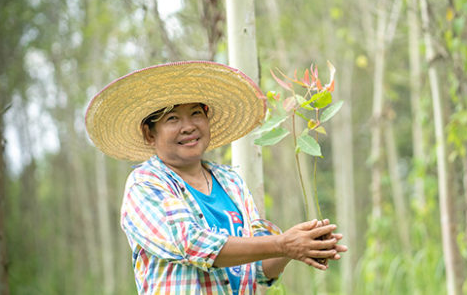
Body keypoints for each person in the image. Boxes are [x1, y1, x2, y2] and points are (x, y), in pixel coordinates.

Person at [85, 61, 347, 294]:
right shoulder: (145, 185)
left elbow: (258, 269)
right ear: (149, 134)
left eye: (196, 113)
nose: (188, 126)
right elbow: (191, 244)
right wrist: (283, 243)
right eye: (173, 118)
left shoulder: (231, 182)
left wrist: (300, 245)